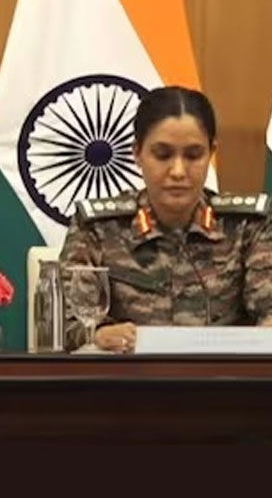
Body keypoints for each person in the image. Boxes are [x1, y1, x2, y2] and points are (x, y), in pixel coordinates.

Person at [59, 86, 272, 352]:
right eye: (163, 155)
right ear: (137, 153)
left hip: (224, 374)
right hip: (127, 374)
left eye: (193, 155)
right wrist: (97, 335)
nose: (178, 171)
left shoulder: (247, 226)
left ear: (211, 152)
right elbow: (66, 322)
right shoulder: (98, 227)